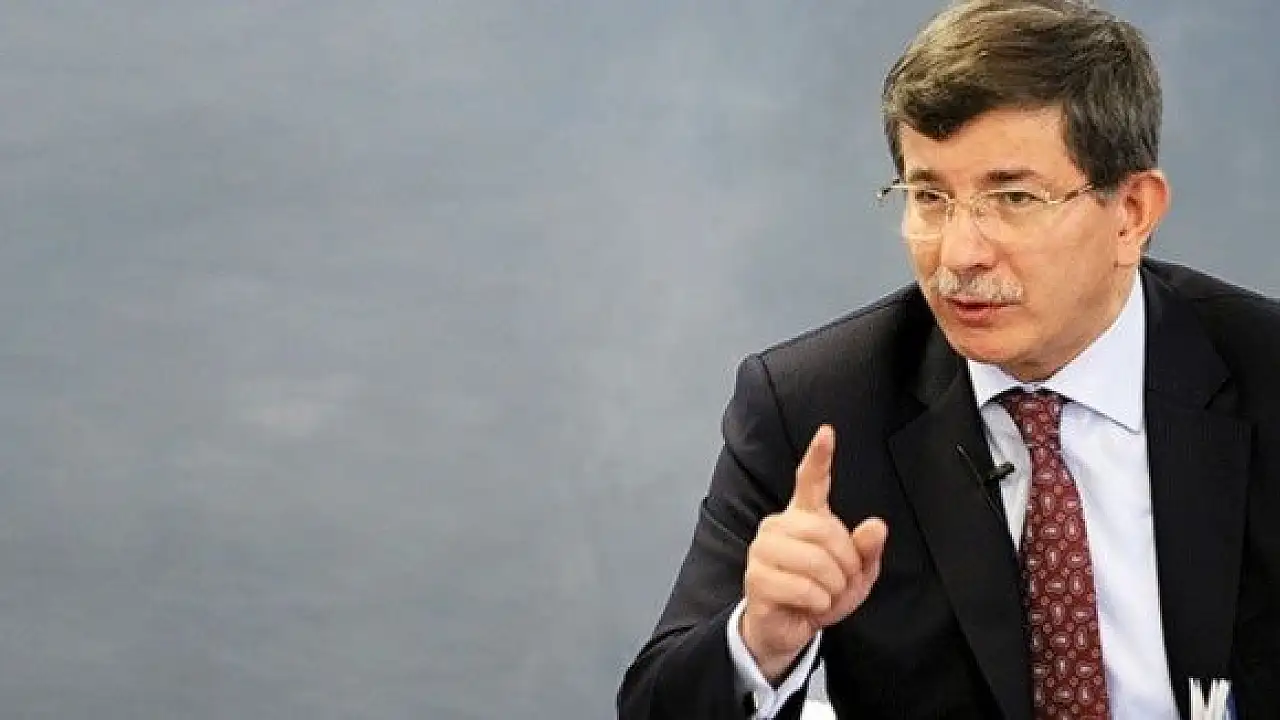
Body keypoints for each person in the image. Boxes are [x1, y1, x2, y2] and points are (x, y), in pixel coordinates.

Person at [616, 0, 1280, 718]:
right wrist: (760, 641)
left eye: (1013, 196)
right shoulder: (814, 408)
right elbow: (655, 705)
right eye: (930, 197)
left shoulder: (1265, 370)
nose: (960, 254)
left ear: (1132, 213)